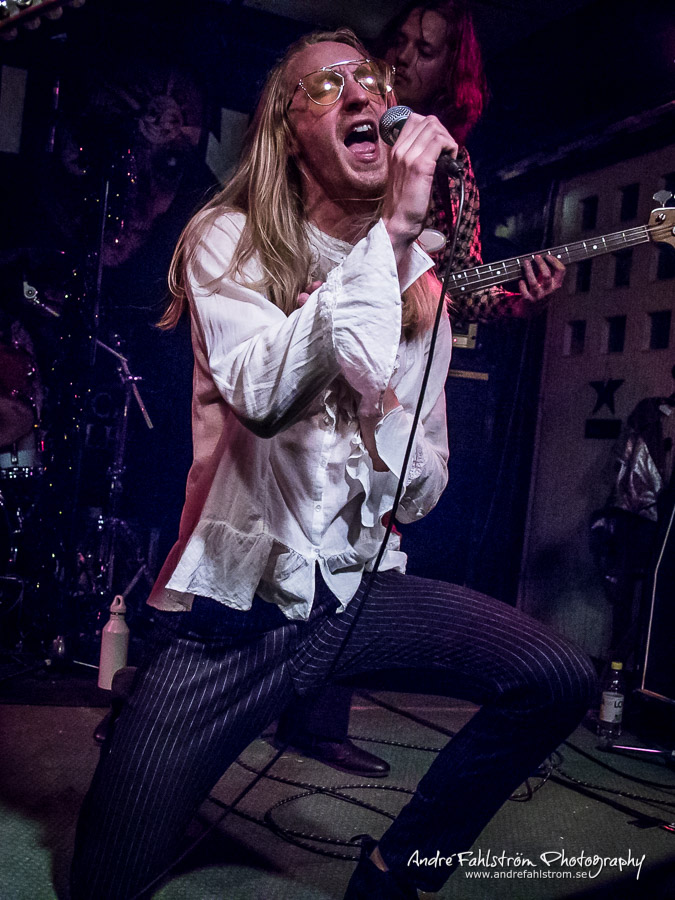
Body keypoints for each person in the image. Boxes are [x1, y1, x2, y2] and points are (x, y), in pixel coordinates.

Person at [70, 29, 594, 900]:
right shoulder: (227, 239)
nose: (359, 94)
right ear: (288, 133)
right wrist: (387, 240)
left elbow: (422, 489)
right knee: (103, 884)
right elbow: (262, 395)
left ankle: (397, 871)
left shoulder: (425, 292)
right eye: (323, 86)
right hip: (236, 613)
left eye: (369, 80)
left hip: (355, 597)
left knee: (555, 678)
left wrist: (381, 398)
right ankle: (150, 714)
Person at [276, 0, 562, 777]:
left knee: (367, 517)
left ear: (450, 74)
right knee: (270, 493)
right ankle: (194, 693)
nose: (403, 56)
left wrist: (515, 301)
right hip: (310, 313)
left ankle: (317, 718)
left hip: (395, 344)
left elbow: (460, 283)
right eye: (398, 41)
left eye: (426, 49)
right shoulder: (345, 121)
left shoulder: (451, 165)